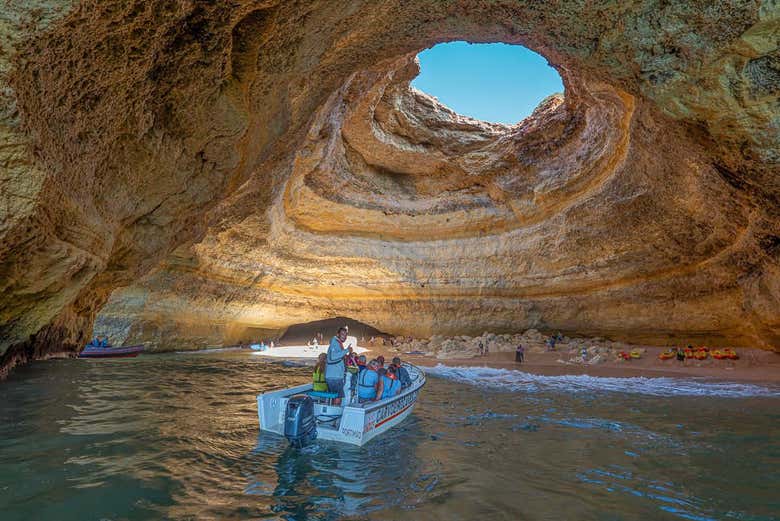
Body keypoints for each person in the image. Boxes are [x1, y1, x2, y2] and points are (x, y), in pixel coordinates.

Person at [325, 327, 353, 405]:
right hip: (335, 376)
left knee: (333, 395)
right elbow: (333, 356)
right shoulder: (335, 343)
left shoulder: (337, 343)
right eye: (342, 334)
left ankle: (330, 412)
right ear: (338, 334)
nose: (344, 336)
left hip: (332, 375)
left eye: (346, 335)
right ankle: (335, 414)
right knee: (338, 396)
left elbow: (337, 358)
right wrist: (347, 350)